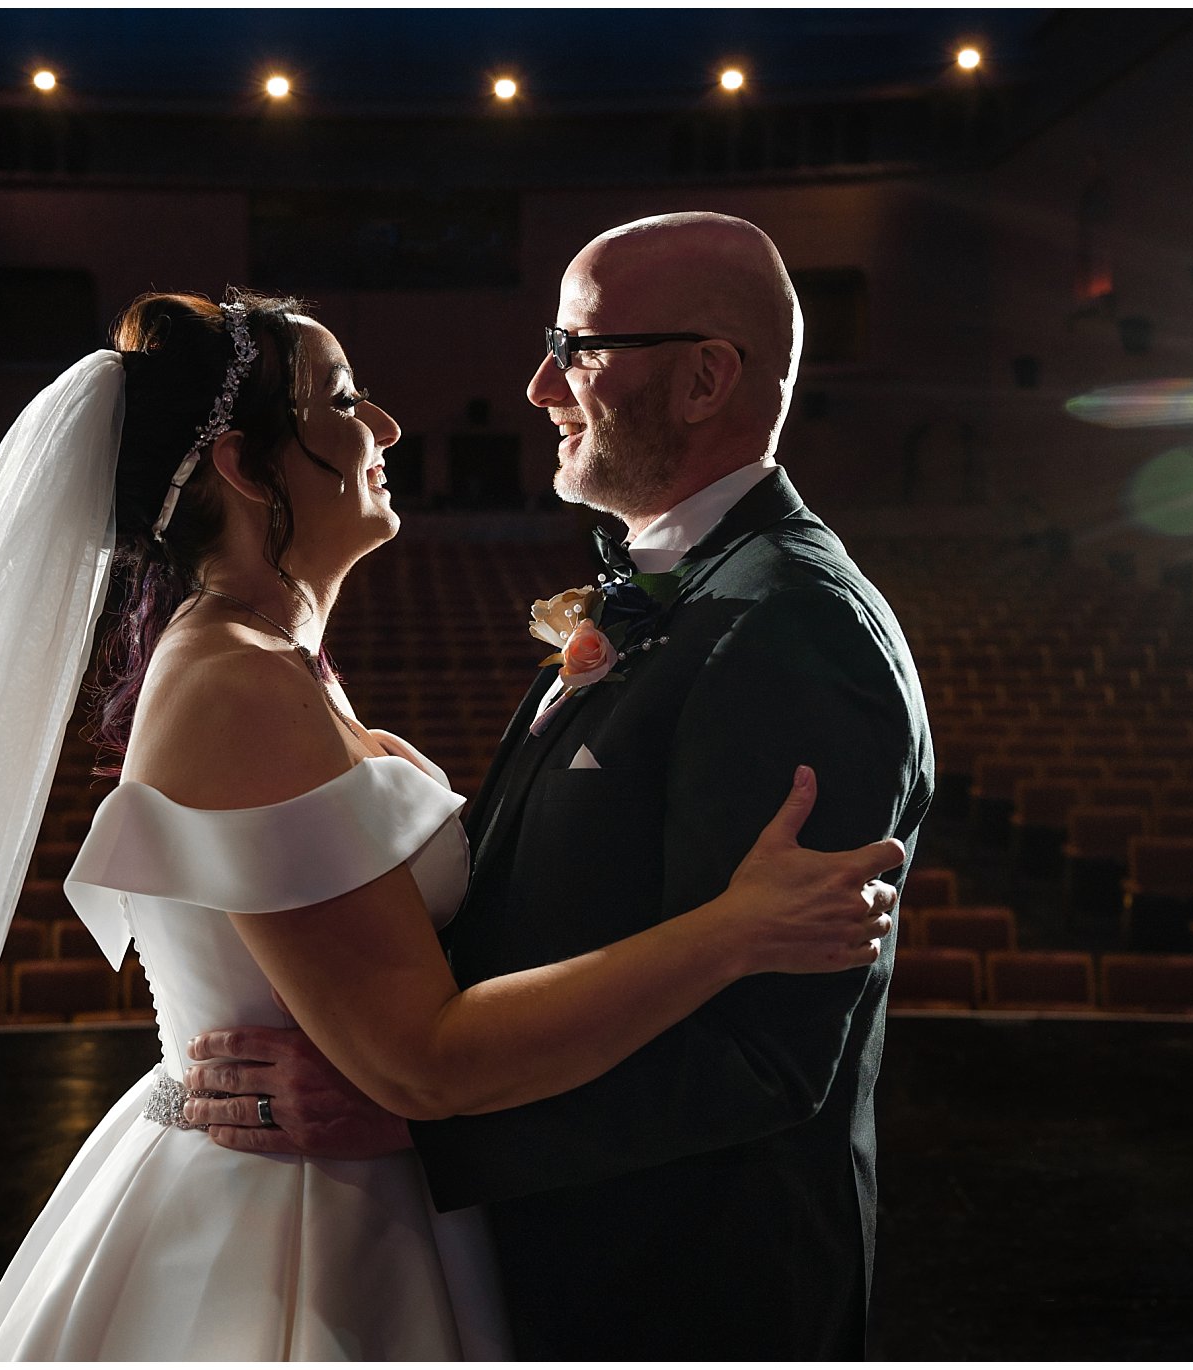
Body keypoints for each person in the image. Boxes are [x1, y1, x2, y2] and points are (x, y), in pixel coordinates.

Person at [0, 286, 903, 1361]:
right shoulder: (234, 682)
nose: (388, 424)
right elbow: (420, 1058)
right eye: (343, 400)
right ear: (247, 466)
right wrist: (734, 930)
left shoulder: (280, 665)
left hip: (374, 1193)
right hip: (289, 1237)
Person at [182, 215, 936, 1358]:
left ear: (702, 377)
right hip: (555, 1260)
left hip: (684, 1291)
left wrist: (417, 1120)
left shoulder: (791, 626)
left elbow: (762, 1055)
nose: (537, 384)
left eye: (576, 346)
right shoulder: (688, 588)